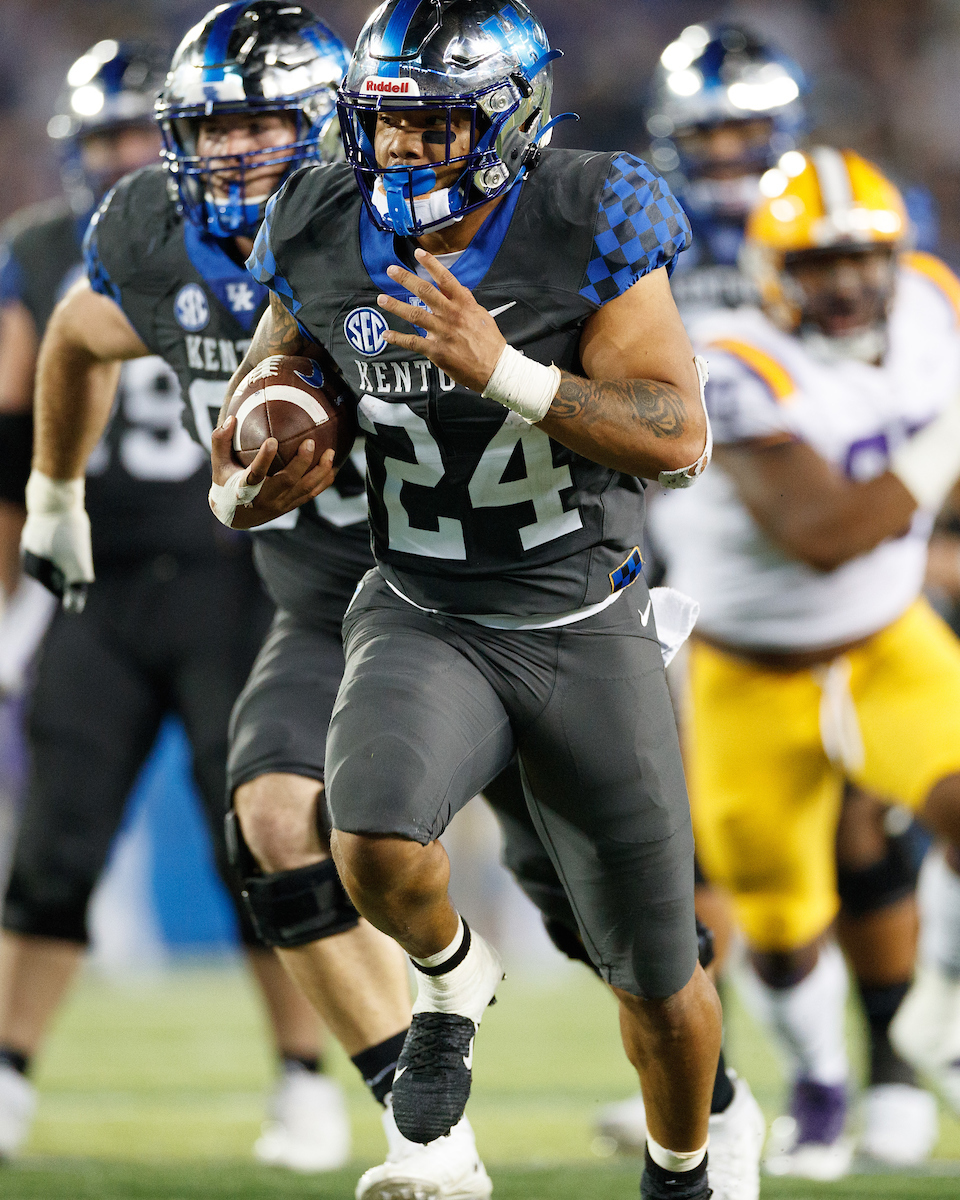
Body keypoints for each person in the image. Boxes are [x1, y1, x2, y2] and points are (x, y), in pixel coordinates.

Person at [219, 1, 731, 1196]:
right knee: (372, 842)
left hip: (583, 618)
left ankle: (683, 1169)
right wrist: (248, 476)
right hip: (424, 606)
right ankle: (451, 978)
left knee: (659, 978)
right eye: (386, 126)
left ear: (507, 122)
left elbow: (677, 433)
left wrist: (501, 369)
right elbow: (254, 405)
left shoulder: (588, 211)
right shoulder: (321, 218)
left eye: (435, 125)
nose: (402, 153)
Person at [21, 8, 492, 1198]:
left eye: (259, 126)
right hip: (317, 591)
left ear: (336, 129)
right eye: (212, 130)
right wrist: (53, 499)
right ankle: (424, 1129)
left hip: (482, 589)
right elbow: (76, 336)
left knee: (612, 899)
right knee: (275, 831)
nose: (230, 155)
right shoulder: (154, 233)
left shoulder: (411, 228)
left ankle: (722, 1114)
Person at [0, 38, 359, 1173]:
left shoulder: (295, 225)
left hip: (239, 576)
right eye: (100, 139)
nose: (117, 160)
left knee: (256, 838)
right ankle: (8, 1070)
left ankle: (305, 1075)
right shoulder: (62, 247)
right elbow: (16, 411)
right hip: (99, 581)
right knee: (56, 837)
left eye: (129, 136)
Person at [618, 22, 937, 1172]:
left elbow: (905, 382)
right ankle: (751, 1073)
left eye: (749, 129)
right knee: (699, 836)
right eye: (708, 134)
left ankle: (895, 1060)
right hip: (673, 544)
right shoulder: (633, 226)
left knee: (867, 811)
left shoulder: (860, 226)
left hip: (845, 554)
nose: (729, 153)